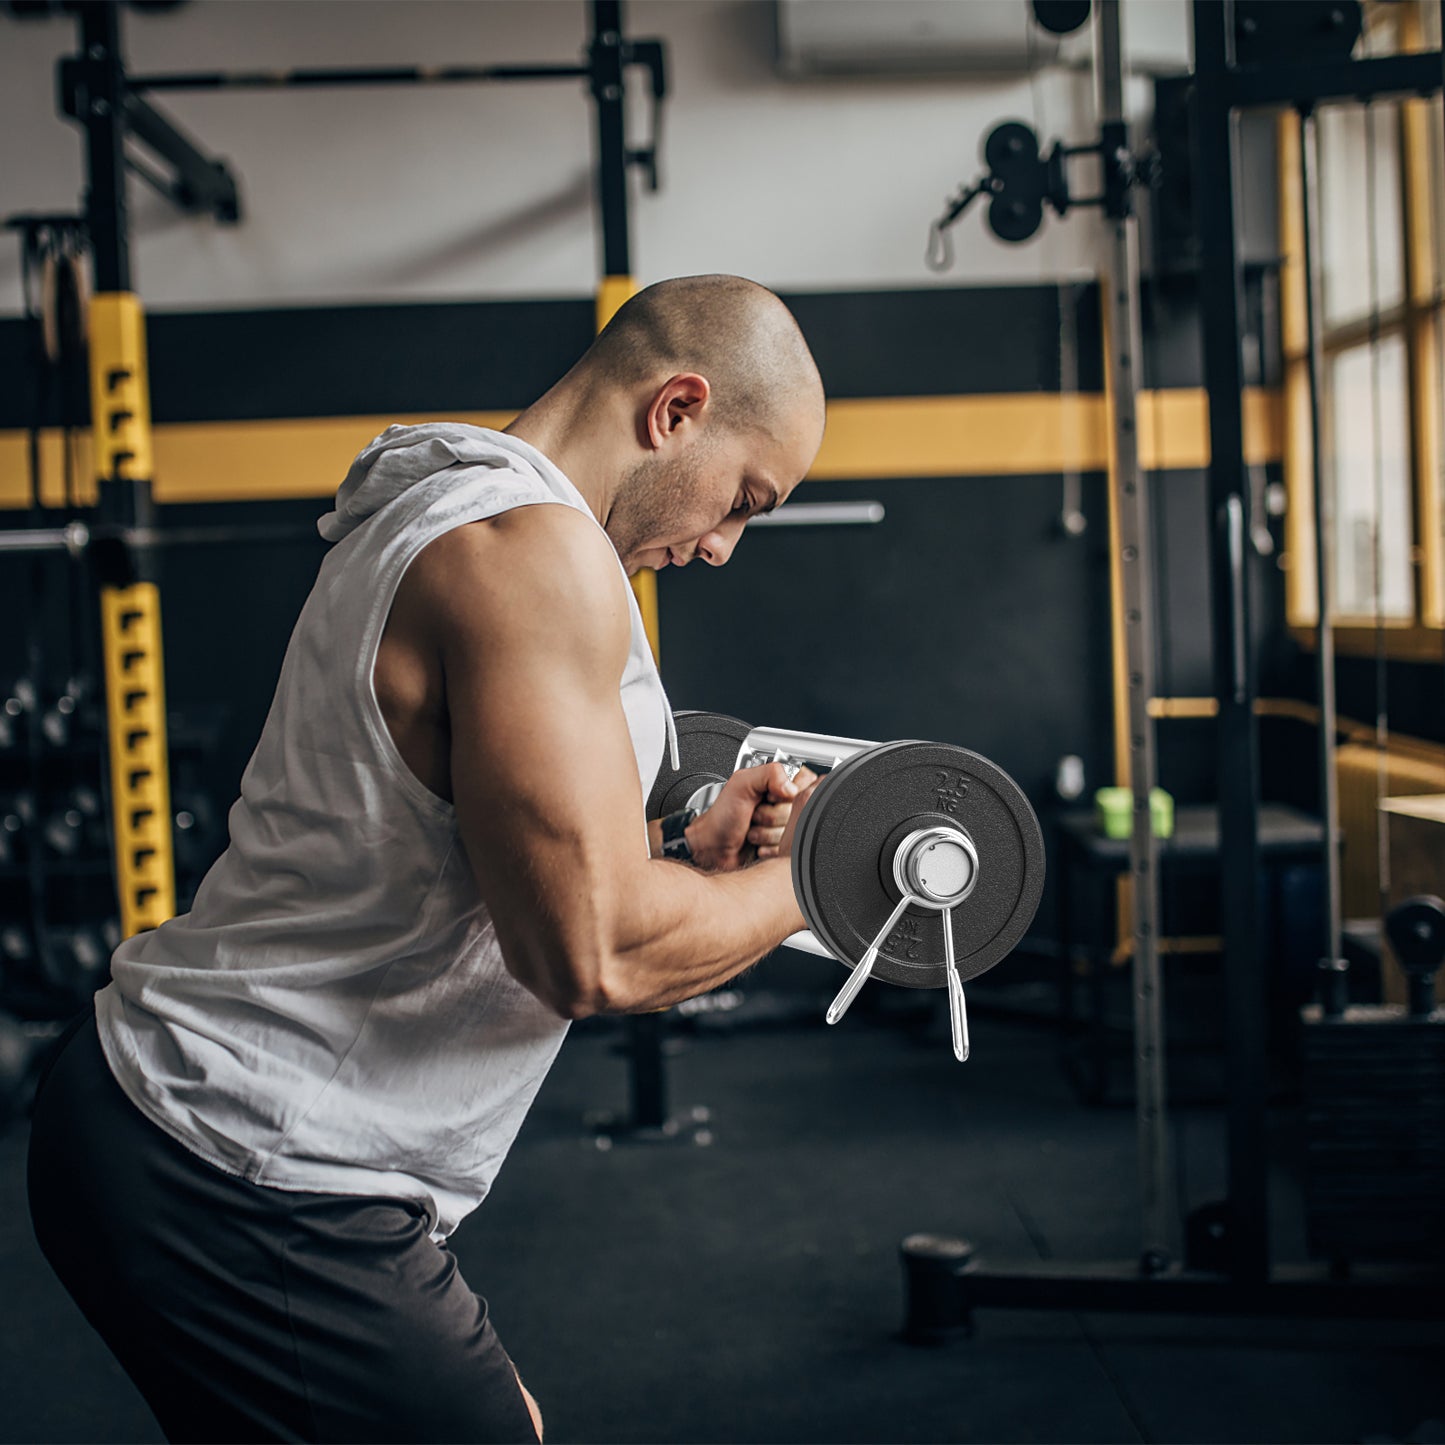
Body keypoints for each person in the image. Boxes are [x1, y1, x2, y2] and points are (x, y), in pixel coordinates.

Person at [27, 274, 828, 1444]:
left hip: (187, 1123)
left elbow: (488, 854)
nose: (719, 545)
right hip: (246, 1166)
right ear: (675, 409)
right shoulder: (529, 557)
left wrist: (693, 861)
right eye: (742, 499)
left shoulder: (454, 504)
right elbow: (591, 952)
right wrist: (816, 878)